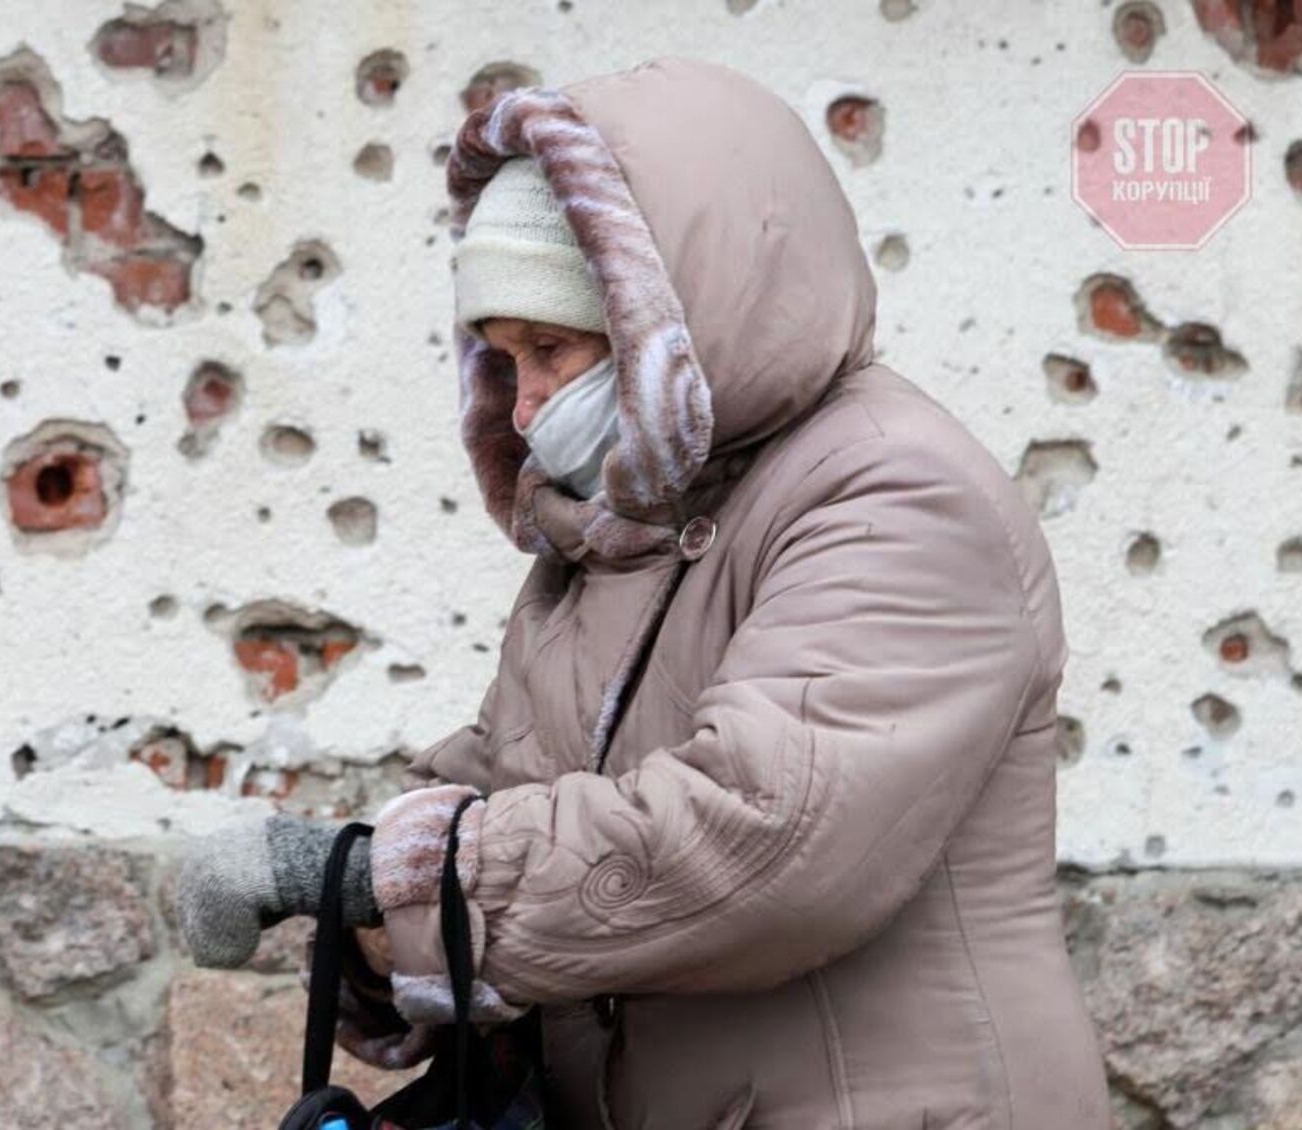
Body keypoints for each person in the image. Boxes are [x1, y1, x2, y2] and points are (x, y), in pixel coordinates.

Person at [177, 56, 1112, 1128]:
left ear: (669, 318)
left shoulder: (897, 495)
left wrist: (405, 889)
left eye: (551, 348)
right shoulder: (625, 518)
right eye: (501, 357)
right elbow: (520, 770)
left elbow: (763, 836)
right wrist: (358, 887)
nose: (523, 406)